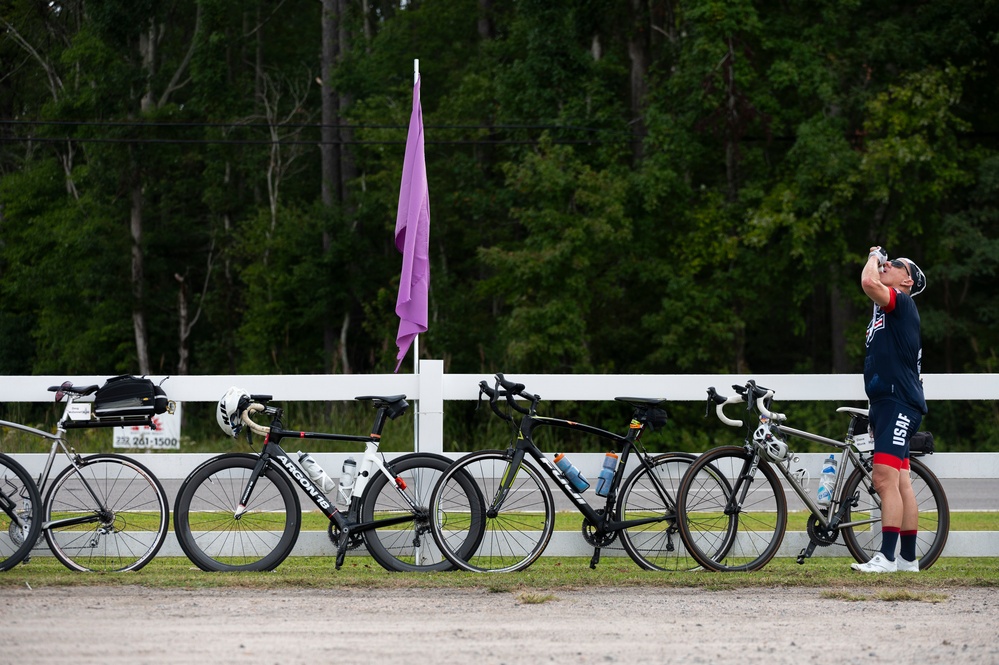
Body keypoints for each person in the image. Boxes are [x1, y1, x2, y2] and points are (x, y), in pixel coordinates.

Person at [852, 246, 927, 573]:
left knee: (883, 480)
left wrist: (873, 255)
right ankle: (909, 560)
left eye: (893, 265)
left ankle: (887, 557)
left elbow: (869, 283)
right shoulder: (884, 311)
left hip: (898, 403)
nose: (885, 266)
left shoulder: (902, 302)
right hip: (887, 402)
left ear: (906, 280)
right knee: (900, 481)